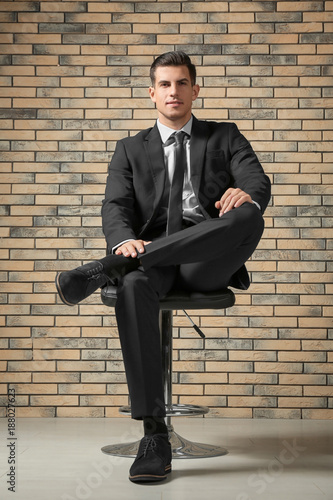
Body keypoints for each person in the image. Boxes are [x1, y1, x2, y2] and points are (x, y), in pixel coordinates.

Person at [56, 51, 271, 483]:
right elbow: (115, 205)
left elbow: (256, 180)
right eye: (165, 84)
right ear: (153, 92)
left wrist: (245, 194)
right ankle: (154, 437)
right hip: (147, 258)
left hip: (203, 260)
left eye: (182, 83)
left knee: (250, 214)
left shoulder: (225, 136)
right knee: (134, 283)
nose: (174, 91)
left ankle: (105, 267)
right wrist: (123, 242)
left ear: (196, 89)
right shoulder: (130, 148)